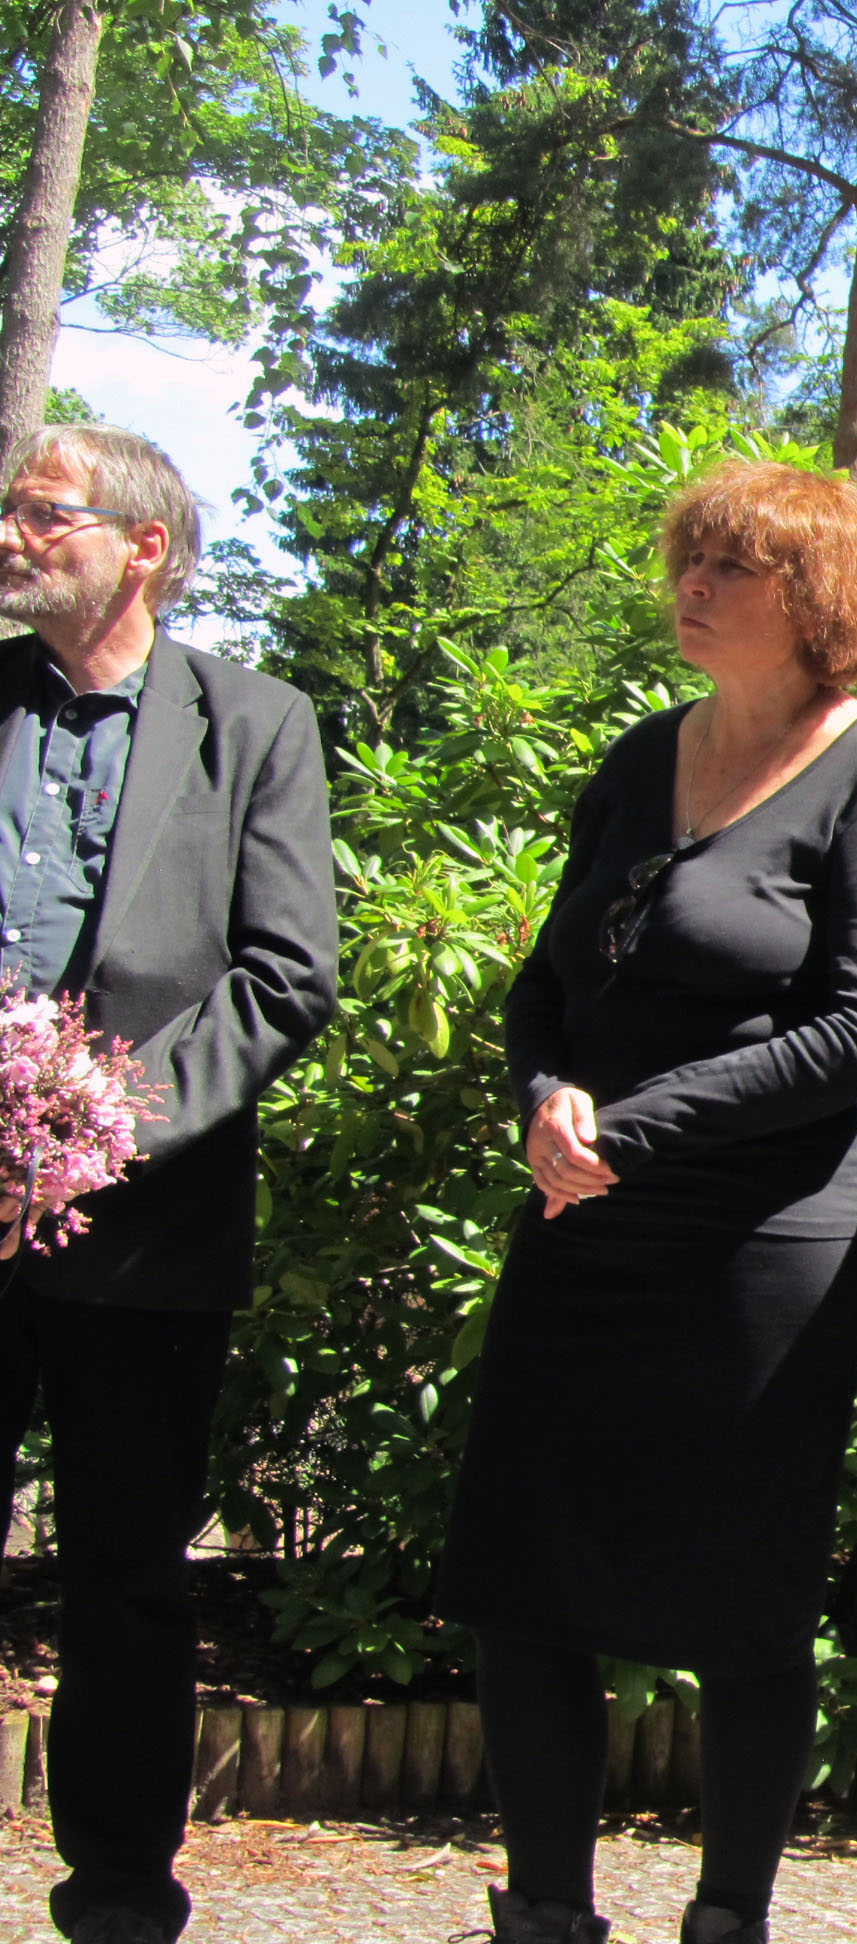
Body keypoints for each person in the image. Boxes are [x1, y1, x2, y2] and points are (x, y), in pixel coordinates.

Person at [439, 460, 857, 1944]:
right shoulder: (642, 753)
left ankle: (728, 1920)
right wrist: (545, 1095)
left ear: (817, 597)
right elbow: (546, 984)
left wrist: (633, 1128)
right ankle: (545, 1914)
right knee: (523, 1578)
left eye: (731, 568)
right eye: (686, 562)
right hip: (585, 1217)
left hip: (763, 1245)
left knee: (741, 1595)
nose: (691, 588)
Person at [0, 425, 337, 1944]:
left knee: (127, 1574)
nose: (12, 534)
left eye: (43, 512)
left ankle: (123, 1892)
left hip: (144, 1226)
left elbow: (285, 974)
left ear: (143, 544)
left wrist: (93, 1132)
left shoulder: (255, 723)